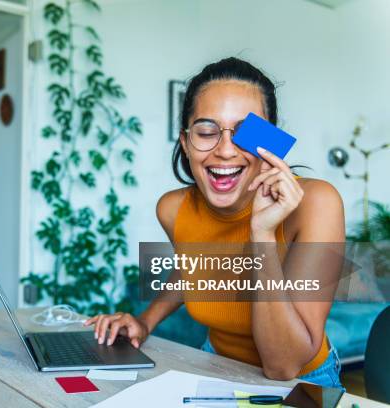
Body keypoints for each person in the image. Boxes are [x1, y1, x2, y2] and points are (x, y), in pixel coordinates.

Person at [84, 57, 345, 388]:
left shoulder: (317, 204)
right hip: (215, 364)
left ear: (269, 143)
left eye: (245, 134)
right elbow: (197, 267)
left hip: (305, 382)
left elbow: (283, 367)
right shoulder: (172, 208)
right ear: (185, 143)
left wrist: (262, 234)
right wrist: (145, 321)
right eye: (206, 131)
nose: (224, 150)